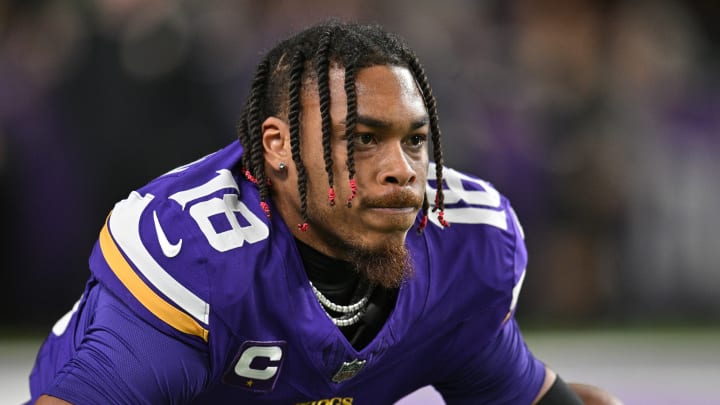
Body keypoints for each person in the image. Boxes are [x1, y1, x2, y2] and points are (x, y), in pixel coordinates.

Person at [28, 20, 622, 404]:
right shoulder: (203, 261)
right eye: (362, 138)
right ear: (279, 147)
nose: (402, 170)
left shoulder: (460, 246)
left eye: (414, 139)